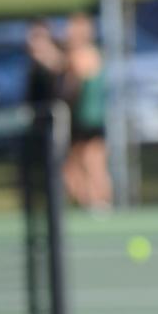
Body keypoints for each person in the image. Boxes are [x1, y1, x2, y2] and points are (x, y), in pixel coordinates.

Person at [59, 12, 110, 211]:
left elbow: (69, 88)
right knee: (77, 164)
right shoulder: (91, 53)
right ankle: (91, 201)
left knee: (90, 162)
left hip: (86, 118)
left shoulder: (79, 55)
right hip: (86, 118)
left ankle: (97, 201)